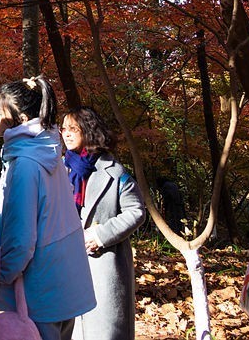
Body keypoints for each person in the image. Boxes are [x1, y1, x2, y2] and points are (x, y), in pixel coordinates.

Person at [0, 77, 95, 340]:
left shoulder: (25, 163)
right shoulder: (48, 152)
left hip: (37, 292)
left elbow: (21, 239)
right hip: (63, 285)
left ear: (21, 117)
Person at [61, 106, 146, 340]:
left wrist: (100, 236)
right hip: (66, 260)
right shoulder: (60, 168)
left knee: (103, 331)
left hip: (103, 262)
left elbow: (136, 211)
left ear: (88, 131)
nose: (66, 134)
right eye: (64, 129)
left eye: (73, 129)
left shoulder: (115, 171)